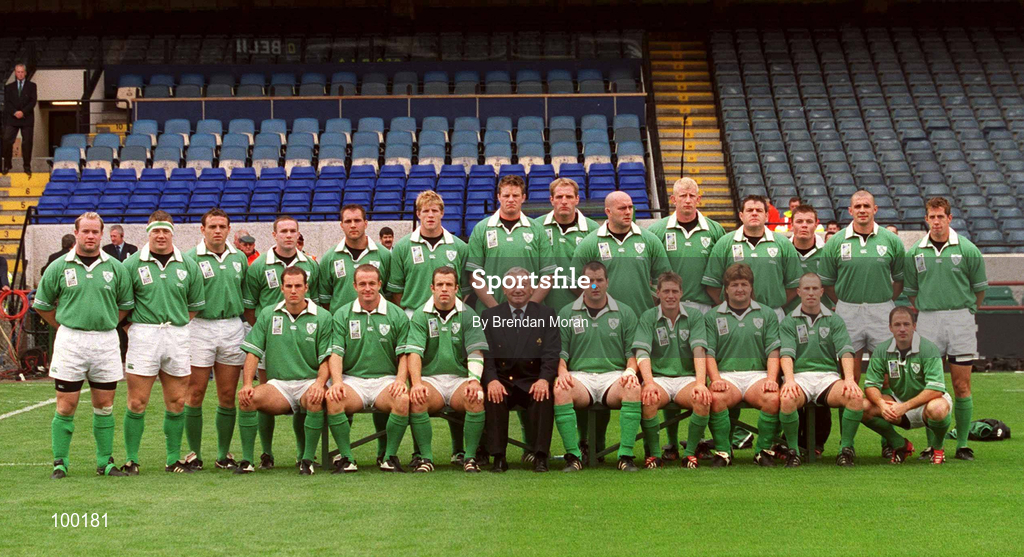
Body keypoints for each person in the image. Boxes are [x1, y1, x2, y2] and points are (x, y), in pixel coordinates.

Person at [33, 212, 134, 478]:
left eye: (95, 232)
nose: (90, 236)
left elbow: (125, 305)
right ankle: (60, 462)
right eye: (85, 231)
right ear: (76, 233)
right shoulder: (59, 266)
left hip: (105, 341)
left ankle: (105, 462)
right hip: (71, 341)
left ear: (102, 235)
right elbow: (42, 305)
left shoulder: (115, 267)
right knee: (66, 405)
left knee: (105, 405)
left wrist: (107, 321)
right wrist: (66, 325)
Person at [645, 177, 725, 460]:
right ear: (673, 199)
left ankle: (704, 439)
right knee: (670, 370)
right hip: (667, 309)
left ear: (699, 199)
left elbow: (722, 272)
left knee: (701, 374)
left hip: (703, 309)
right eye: (683, 195)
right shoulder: (656, 230)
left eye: (693, 195)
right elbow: (651, 270)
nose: (688, 200)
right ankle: (669, 440)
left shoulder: (714, 230)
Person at [121, 211, 206, 474]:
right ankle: (132, 459)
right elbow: (123, 306)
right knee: (137, 401)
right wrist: (134, 328)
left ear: (172, 233)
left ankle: (172, 459)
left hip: (177, 334)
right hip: (145, 334)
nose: (160, 235)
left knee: (177, 401)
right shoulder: (132, 264)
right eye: (156, 230)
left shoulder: (188, 264)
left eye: (165, 231)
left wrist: (176, 323)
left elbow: (194, 306)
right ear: (148, 232)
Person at [904, 197, 987, 462]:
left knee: (962, 384)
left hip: (961, 318)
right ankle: (933, 445)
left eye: (941, 216)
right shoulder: (915, 251)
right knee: (931, 384)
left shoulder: (968, 249)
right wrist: (930, 310)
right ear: (926, 219)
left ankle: (962, 444)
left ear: (950, 219)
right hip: (928, 319)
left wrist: (965, 312)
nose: (936, 221)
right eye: (932, 217)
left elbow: (980, 289)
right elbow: (911, 292)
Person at [236, 266, 337, 475]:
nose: (293, 290)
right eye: (289, 286)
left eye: (298, 286)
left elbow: (327, 359)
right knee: (248, 398)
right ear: (281, 288)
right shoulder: (268, 314)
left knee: (316, 399)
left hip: (309, 382)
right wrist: (247, 384)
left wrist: (319, 384)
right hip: (279, 385)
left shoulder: (323, 317)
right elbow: (253, 353)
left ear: (306, 288)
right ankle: (246, 460)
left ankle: (307, 460)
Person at [244, 216, 319, 469]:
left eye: (292, 231)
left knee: (303, 390)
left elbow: (316, 301)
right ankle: (266, 452)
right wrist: (267, 332)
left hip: (301, 335)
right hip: (271, 335)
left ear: (298, 234)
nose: (288, 235)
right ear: (274, 234)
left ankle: (302, 453)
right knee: (268, 390)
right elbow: (250, 305)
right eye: (283, 231)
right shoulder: (258, 265)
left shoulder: (310, 264)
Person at [553, 261, 641, 472]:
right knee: (560, 389)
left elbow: (633, 354)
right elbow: (560, 354)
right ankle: (573, 456)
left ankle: (626, 455)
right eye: (589, 280)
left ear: (607, 282)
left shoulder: (625, 312)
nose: (594, 285)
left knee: (633, 388)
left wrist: (630, 371)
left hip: (614, 375)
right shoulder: (566, 313)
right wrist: (562, 372)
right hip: (580, 376)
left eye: (599, 280)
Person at [182, 209, 251, 471]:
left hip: (232, 326)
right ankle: (194, 453)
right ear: (202, 230)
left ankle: (223, 454)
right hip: (200, 326)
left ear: (229, 229)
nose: (217, 230)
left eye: (222, 226)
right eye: (212, 226)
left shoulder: (239, 258)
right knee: (195, 392)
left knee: (226, 393)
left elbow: (245, 295)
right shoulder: (190, 257)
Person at [327, 264, 412, 472]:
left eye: (372, 283)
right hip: (352, 380)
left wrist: (400, 381)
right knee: (333, 397)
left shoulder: (397, 314)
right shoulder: (342, 314)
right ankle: (347, 458)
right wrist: (337, 382)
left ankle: (389, 457)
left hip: (386, 380)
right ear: (355, 286)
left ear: (380, 285)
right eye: (362, 284)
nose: (367, 288)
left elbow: (404, 355)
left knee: (402, 399)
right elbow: (336, 353)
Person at [405, 267, 489, 472]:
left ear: (456, 288)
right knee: (417, 398)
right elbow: (414, 353)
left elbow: (476, 352)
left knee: (476, 396)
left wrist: (474, 380)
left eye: (449, 285)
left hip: (460, 379)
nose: (444, 289)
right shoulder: (420, 315)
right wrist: (416, 384)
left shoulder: (469, 315)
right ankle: (425, 459)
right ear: (432, 288)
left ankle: (469, 458)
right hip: (431, 380)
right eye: (440, 285)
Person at [819, 190, 906, 383]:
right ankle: (850, 414)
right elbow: (827, 282)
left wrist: (885, 300)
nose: (862, 210)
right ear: (850, 210)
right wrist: (843, 301)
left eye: (866, 206)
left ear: (875, 209)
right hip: (848, 311)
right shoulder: (835, 242)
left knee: (886, 376)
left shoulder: (891, 240)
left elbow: (899, 279)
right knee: (849, 376)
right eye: (858, 206)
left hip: (882, 311)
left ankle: (884, 413)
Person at [779, 273, 864, 467]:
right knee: (787, 398)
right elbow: (786, 355)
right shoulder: (789, 321)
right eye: (806, 289)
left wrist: (849, 379)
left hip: (827, 377)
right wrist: (789, 380)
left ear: (822, 291)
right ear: (799, 292)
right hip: (800, 377)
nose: (811, 293)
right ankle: (793, 451)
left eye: (815, 289)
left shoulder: (834, 320)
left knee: (855, 397)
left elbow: (846, 352)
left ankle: (846, 450)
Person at [481, 267, 560, 472]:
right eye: (512, 285)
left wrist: (544, 379)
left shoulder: (546, 314)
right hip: (503, 380)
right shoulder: (489, 316)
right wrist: (491, 380)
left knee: (544, 396)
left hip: (532, 379)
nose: (518, 289)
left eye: (523, 284)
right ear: (504, 290)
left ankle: (540, 455)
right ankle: (498, 456)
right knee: (494, 396)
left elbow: (551, 353)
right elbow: (486, 356)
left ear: (532, 289)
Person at [704, 263, 783, 467]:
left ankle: (762, 451)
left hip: (757, 374)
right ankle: (723, 452)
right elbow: (708, 353)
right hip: (726, 374)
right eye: (735, 285)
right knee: (716, 398)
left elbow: (773, 350)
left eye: (744, 284)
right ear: (726, 288)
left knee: (773, 399)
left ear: (751, 287)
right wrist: (715, 379)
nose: (740, 289)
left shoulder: (767, 314)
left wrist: (771, 379)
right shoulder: (712, 316)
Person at [633, 272, 711, 469]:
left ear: (681, 293)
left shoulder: (694, 316)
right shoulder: (648, 316)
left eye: (674, 291)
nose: (670, 295)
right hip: (659, 378)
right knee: (648, 399)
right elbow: (642, 352)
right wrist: (649, 383)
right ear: (657, 293)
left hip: (686, 378)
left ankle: (690, 453)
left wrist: (701, 384)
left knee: (702, 399)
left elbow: (699, 350)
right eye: (665, 291)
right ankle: (655, 454)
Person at [860, 306, 952, 465]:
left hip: (927, 403)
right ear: (890, 327)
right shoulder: (882, 350)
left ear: (914, 326)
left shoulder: (929, 349)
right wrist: (882, 405)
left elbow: (936, 389)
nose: (902, 329)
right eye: (897, 325)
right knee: (860, 406)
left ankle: (937, 447)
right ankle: (899, 444)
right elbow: (870, 386)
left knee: (937, 409)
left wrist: (905, 407)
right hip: (900, 401)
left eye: (906, 324)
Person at [783, 203, 834, 455]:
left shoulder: (828, 252)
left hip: (821, 327)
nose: (803, 226)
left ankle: (816, 442)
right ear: (791, 224)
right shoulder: (781, 251)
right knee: (789, 380)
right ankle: (788, 438)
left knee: (823, 378)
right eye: (799, 221)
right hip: (789, 325)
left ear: (816, 224)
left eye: (808, 222)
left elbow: (836, 287)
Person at [703, 195, 802, 322]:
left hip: (773, 314)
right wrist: (730, 306)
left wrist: (775, 306)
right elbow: (712, 285)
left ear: (766, 216)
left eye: (759, 210)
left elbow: (794, 284)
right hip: (733, 315)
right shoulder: (725, 243)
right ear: (741, 216)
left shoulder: (783, 243)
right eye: (750, 210)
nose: (754, 213)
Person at [572, 191, 671, 317]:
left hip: (642, 318)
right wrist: (595, 298)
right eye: (622, 208)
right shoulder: (590, 243)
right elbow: (574, 281)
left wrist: (650, 298)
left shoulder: (650, 240)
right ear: (608, 212)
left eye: (630, 207)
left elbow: (665, 277)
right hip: (603, 320)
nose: (628, 212)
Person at [467, 175, 552, 311]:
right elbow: (474, 276)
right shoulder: (481, 228)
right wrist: (495, 309)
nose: (511, 200)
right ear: (498, 197)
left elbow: (548, 276)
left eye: (515, 195)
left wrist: (528, 308)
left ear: (523, 197)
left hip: (530, 314)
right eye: (506, 196)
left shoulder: (537, 229)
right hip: (490, 312)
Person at [389, 191, 468, 316]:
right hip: (413, 314)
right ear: (418, 213)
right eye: (425, 211)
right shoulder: (402, 247)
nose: (430, 215)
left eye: (435, 211)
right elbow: (396, 289)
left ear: (442, 213)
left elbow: (465, 289)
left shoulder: (460, 247)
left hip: (451, 315)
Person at [533, 178, 599, 312]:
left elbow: (599, 274)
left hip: (581, 308)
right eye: (559, 197)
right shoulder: (535, 226)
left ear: (577, 199)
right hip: (542, 308)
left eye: (569, 196)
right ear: (551, 200)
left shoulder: (593, 229)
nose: (564, 201)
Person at [319, 204, 391, 311]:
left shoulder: (384, 254)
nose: (353, 225)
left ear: (365, 224)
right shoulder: (329, 258)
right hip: (342, 324)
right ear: (341, 225)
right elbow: (325, 299)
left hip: (376, 323)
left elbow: (390, 293)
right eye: (348, 221)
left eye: (357, 220)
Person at [2, 64, 37, 177]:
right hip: (12, 118)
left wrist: (23, 112)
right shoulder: (8, 87)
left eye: (22, 72)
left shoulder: (32, 86)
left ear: (25, 73)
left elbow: (33, 101)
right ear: (15, 73)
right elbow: (7, 103)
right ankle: (7, 164)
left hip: (27, 118)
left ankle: (27, 166)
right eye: (18, 72)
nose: (20, 74)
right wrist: (15, 112)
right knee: (7, 140)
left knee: (27, 142)